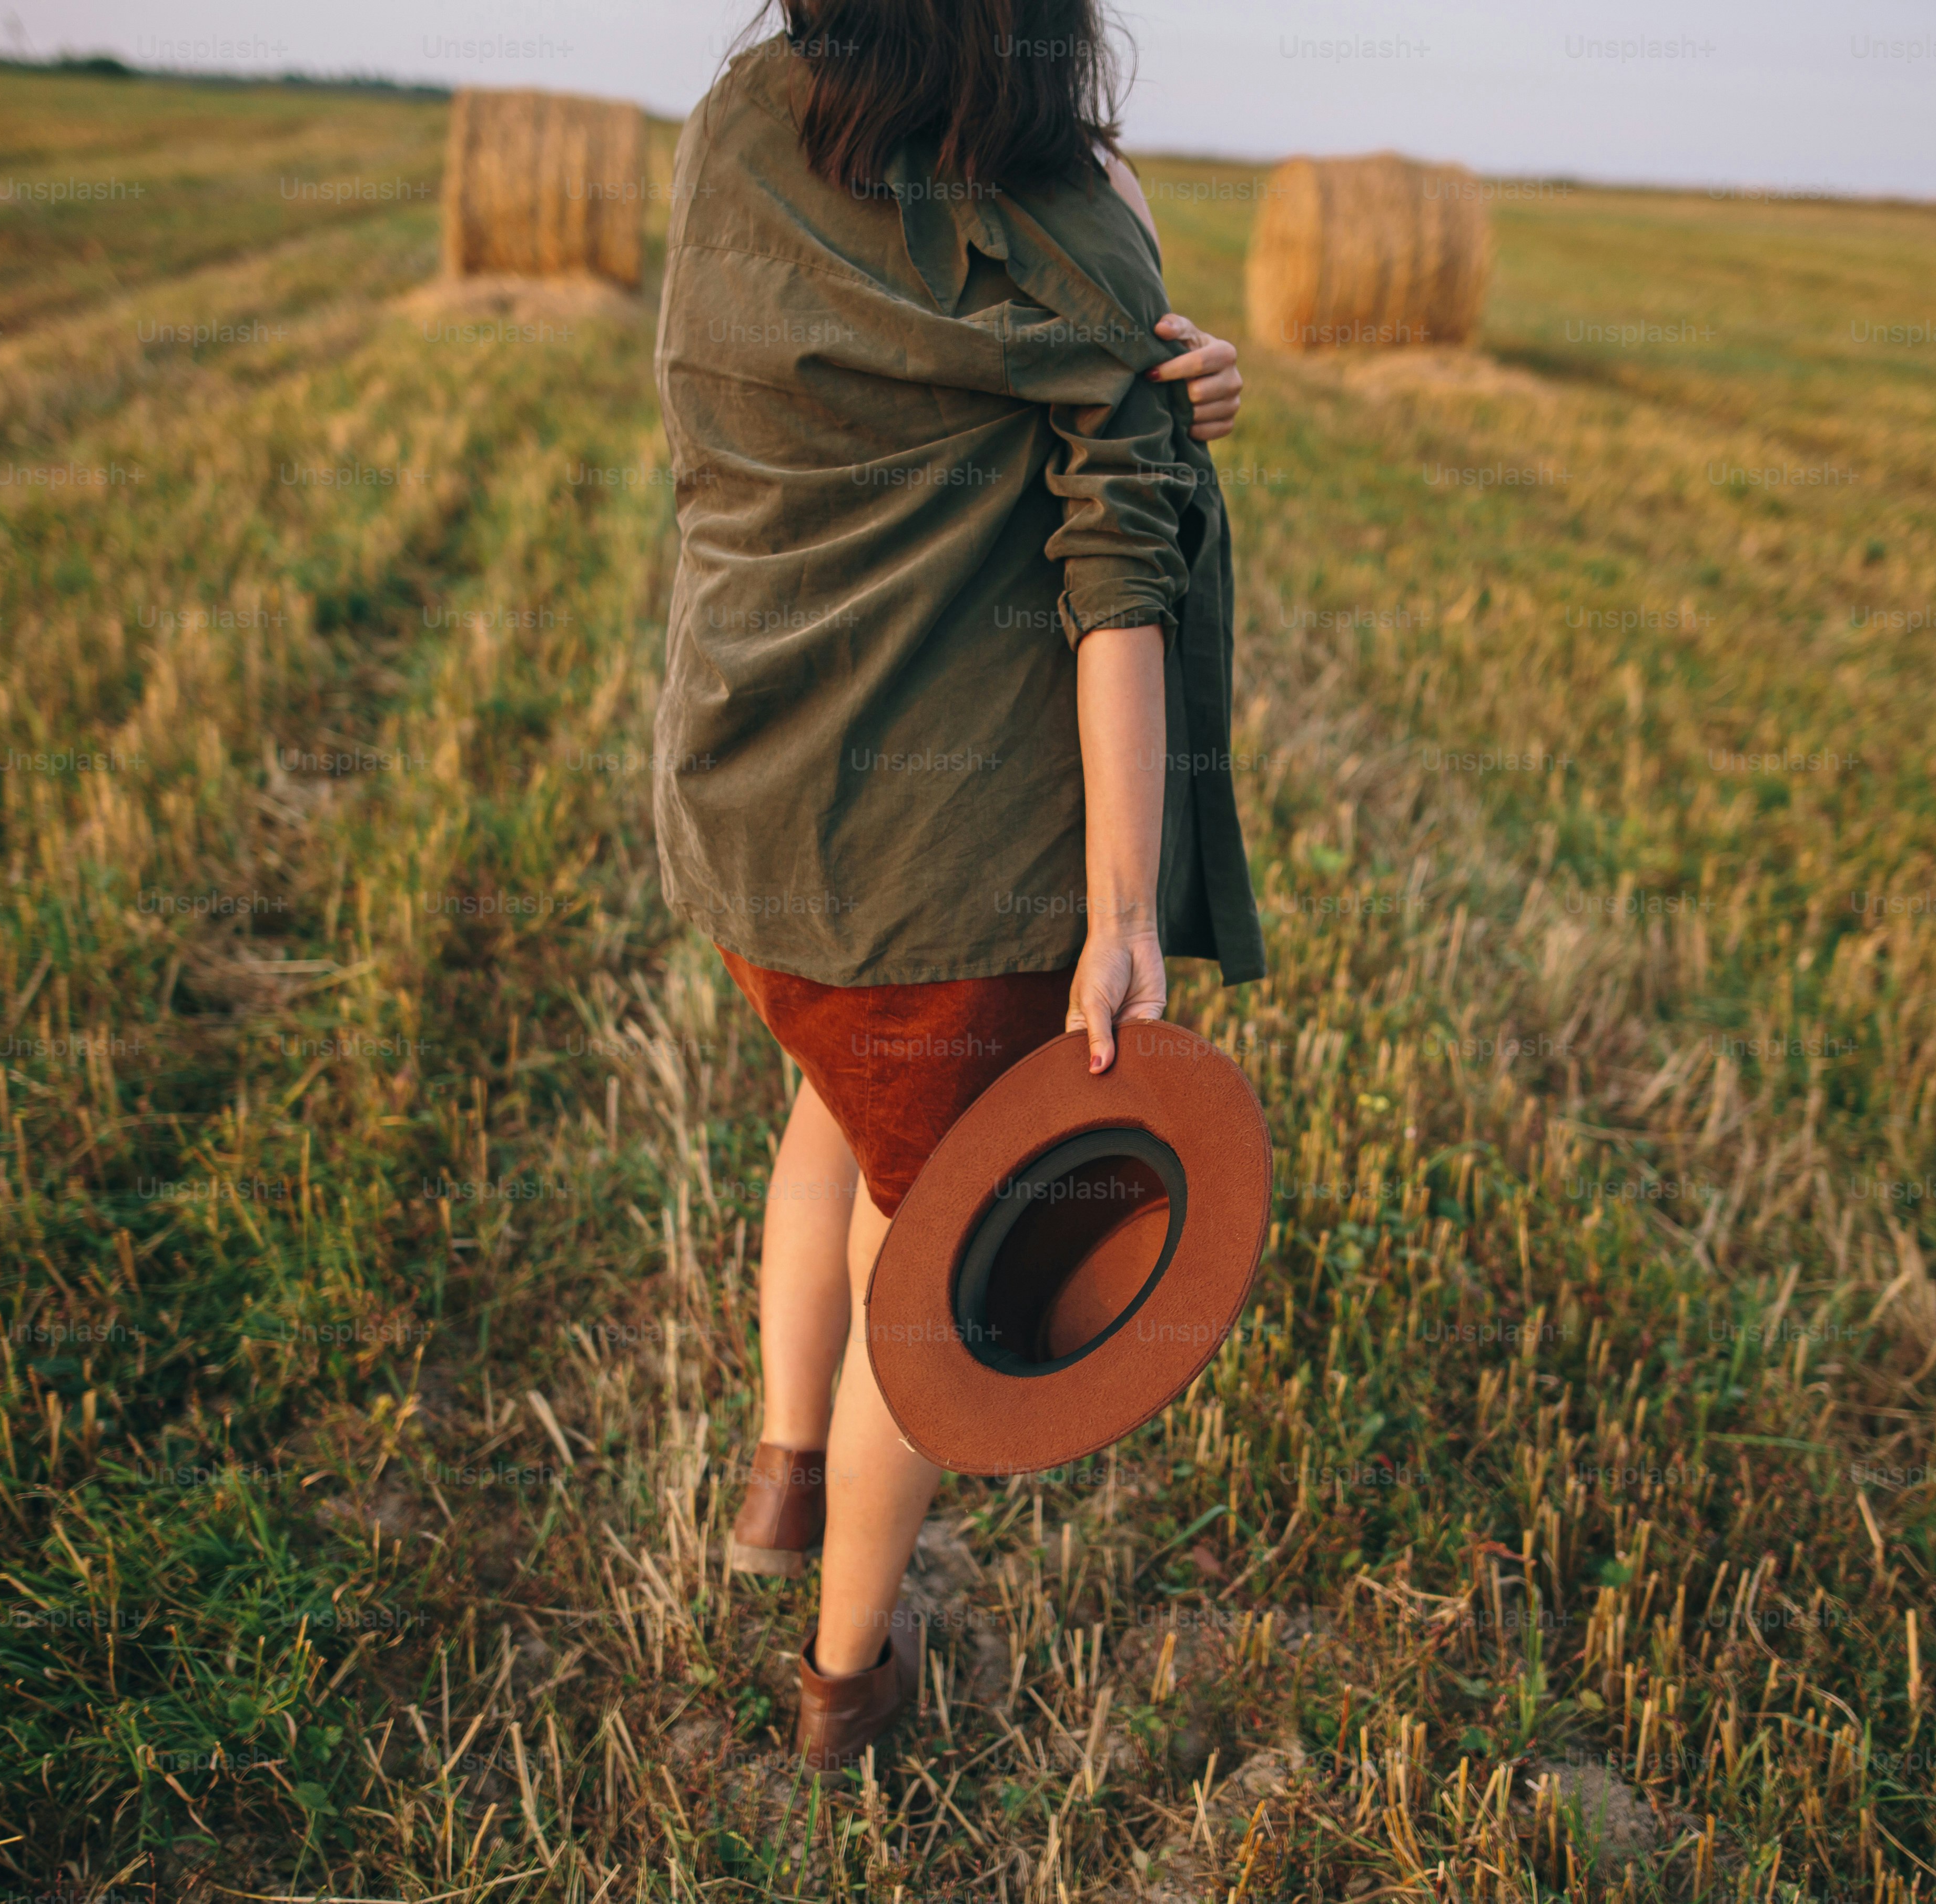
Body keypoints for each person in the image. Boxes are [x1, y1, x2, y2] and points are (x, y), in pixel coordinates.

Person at [650, 0, 1265, 1770]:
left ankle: (785, 1476)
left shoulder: (740, 131)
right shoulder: (1087, 218)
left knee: (829, 1108)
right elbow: (1115, 585)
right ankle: (851, 1674)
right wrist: (1127, 912)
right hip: (942, 864)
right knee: (938, 1263)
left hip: (755, 809)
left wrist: (1166, 371)